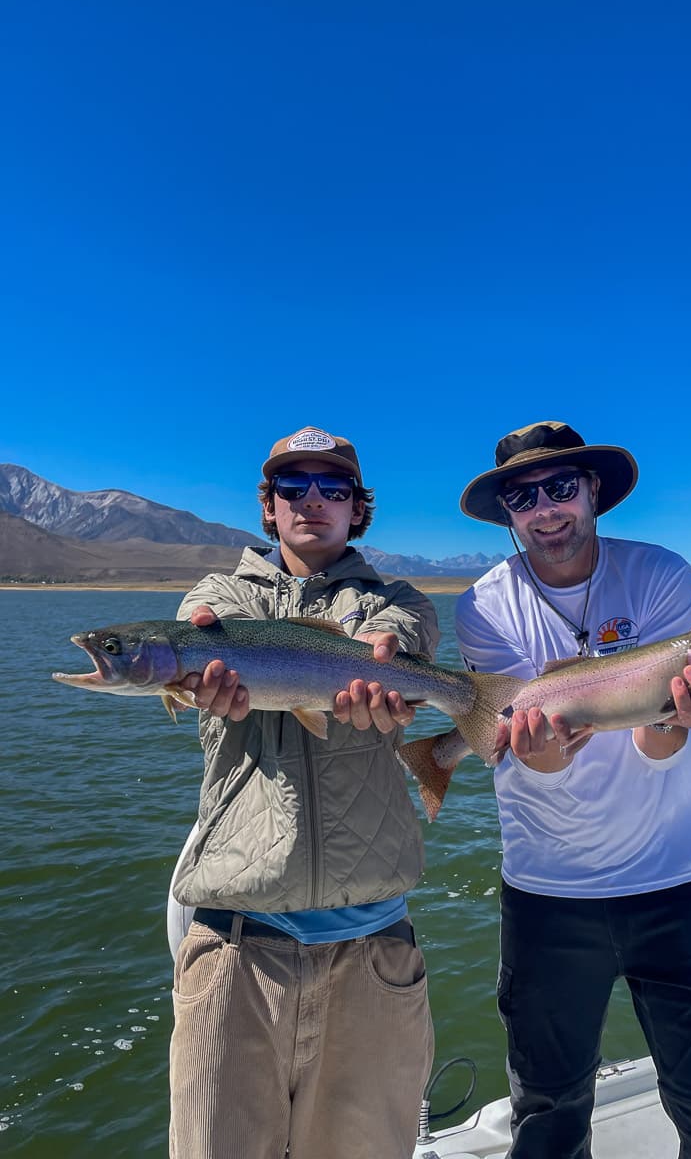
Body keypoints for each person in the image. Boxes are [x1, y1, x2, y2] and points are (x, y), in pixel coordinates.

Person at [455, 420, 691, 1159]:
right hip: (547, 894)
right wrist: (545, 754)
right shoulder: (483, 606)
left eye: (561, 487)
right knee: (548, 1118)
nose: (546, 509)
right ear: (507, 514)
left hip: (671, 882)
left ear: (593, 491)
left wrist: (675, 718)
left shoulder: (658, 574)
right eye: (524, 497)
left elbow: (661, 739)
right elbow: (536, 764)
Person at [167, 425, 437, 1159]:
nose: (311, 501)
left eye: (332, 488)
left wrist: (391, 668)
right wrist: (201, 666)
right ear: (269, 507)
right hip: (237, 948)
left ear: (358, 509)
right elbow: (199, 624)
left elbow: (396, 640)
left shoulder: (399, 601)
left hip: (374, 954)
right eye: (293, 487)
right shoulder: (218, 600)